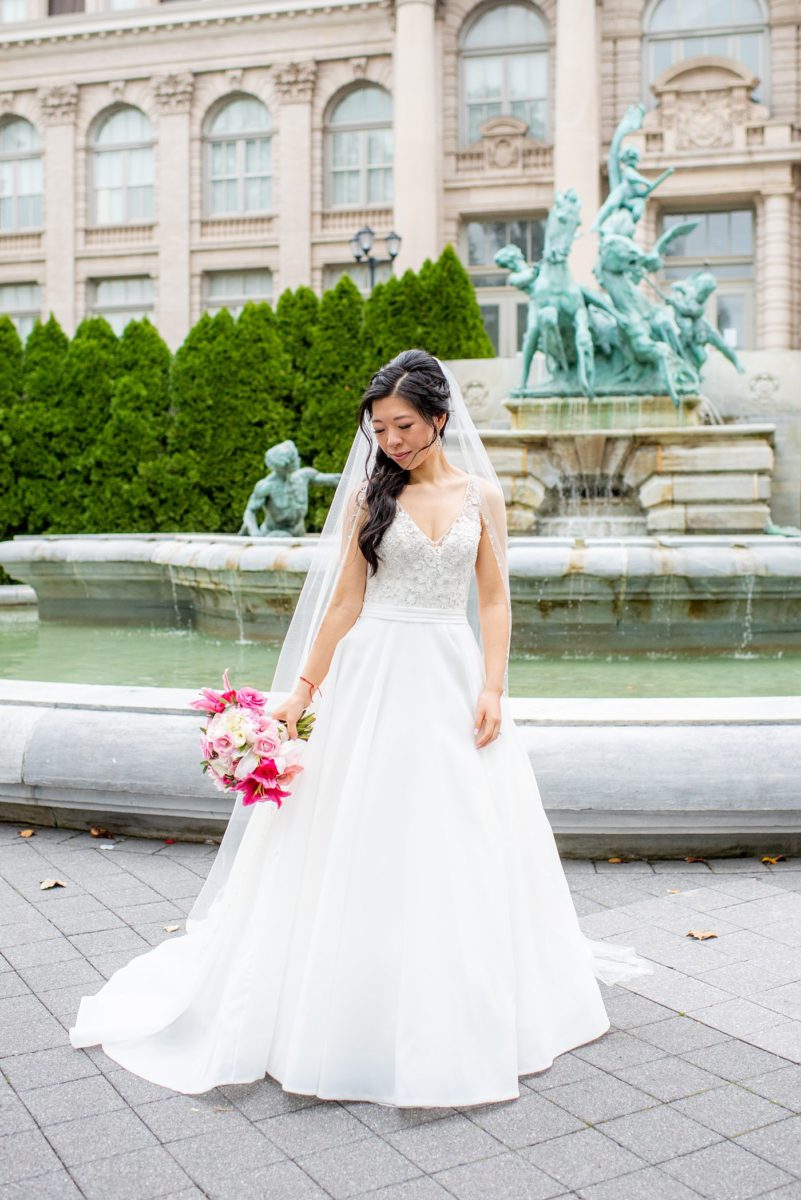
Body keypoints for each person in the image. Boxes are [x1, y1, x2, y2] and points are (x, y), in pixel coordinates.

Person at [69, 349, 651, 1106]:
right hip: (372, 672)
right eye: (378, 429)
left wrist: (494, 687)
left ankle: (460, 989)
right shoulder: (368, 502)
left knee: (460, 827)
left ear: (439, 418)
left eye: (403, 425)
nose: (390, 441)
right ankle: (345, 989)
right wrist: (300, 692)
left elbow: (496, 599)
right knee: (358, 826)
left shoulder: (483, 495)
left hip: (447, 669)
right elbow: (342, 604)